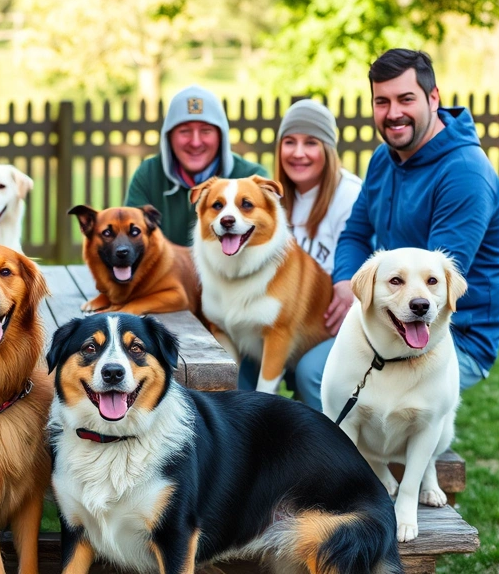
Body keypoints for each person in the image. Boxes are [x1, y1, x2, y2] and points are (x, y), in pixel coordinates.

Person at [322, 48, 499, 396]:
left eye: (406, 99)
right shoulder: (384, 158)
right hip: (392, 312)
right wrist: (347, 282)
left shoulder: (465, 172)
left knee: (317, 374)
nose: (393, 113)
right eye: (382, 102)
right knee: (301, 349)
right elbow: (355, 234)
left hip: (451, 334)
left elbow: (432, 288)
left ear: (433, 97)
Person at [235, 99, 362, 407]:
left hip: (330, 324)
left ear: (329, 150)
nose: (298, 152)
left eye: (311, 142)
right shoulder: (273, 198)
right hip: (284, 320)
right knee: (232, 361)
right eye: (289, 142)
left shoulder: (351, 195)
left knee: (310, 372)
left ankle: (328, 449)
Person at [125, 85, 269, 245]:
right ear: (169, 137)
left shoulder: (250, 177)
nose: (195, 142)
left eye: (206, 131)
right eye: (184, 131)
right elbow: (131, 241)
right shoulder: (149, 175)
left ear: (221, 137)